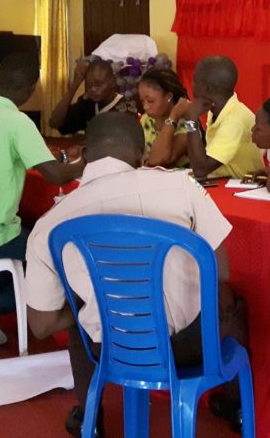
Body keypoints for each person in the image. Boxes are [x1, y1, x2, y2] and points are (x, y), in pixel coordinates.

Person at [25, 112, 248, 437]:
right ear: (142, 155)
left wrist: (98, 306)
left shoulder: (49, 224)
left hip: (113, 348)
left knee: (78, 312)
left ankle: (90, 415)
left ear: (84, 155)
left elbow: (41, 325)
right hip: (190, 346)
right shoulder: (182, 186)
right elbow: (222, 272)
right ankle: (237, 407)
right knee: (229, 299)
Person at [0, 52, 85, 347]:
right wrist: (84, 162)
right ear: (33, 88)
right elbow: (55, 175)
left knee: (26, 240)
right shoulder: (18, 121)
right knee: (53, 253)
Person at [173, 56, 263, 179]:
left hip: (240, 188)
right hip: (223, 182)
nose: (192, 84)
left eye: (195, 80)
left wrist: (191, 119)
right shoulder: (214, 109)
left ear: (207, 88)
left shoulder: (235, 121)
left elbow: (200, 169)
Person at [48, 57, 136, 136]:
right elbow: (55, 122)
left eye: (98, 84)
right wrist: (75, 84)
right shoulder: (89, 103)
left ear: (113, 81)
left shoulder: (126, 109)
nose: (93, 89)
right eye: (89, 85)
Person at [138, 67, 191, 168]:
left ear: (169, 96)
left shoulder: (187, 124)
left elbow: (157, 160)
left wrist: (174, 115)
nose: (145, 107)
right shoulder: (146, 120)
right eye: (142, 101)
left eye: (151, 101)